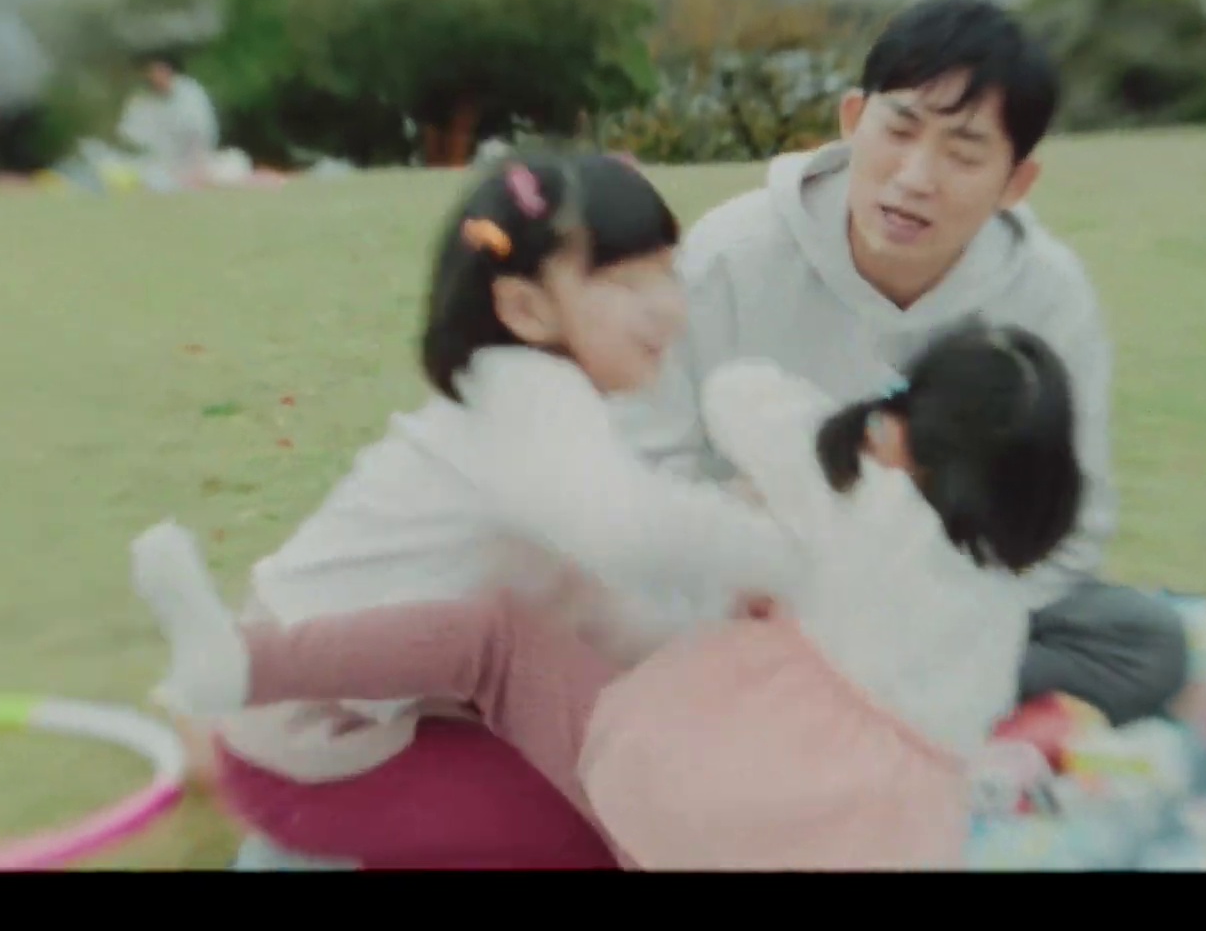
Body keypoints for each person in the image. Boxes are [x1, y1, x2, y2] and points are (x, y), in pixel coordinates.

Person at [136, 321, 1085, 869]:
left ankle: (247, 665)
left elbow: (741, 395)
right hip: (856, 844)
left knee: (492, 640)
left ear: (906, 432)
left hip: (708, 812)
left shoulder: (862, 503)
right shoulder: (997, 603)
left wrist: (868, 412)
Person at [181, 153, 802, 870]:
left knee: (625, 790)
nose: (667, 306)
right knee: (605, 832)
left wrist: (717, 632)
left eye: (668, 272)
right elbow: (629, 531)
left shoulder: (537, 420)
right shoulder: (527, 400)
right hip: (312, 749)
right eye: (626, 283)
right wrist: (776, 550)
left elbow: (593, 614)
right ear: (525, 309)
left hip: (349, 723)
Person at [611, 0, 1188, 727]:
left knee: (1143, 642)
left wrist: (923, 610)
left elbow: (1067, 522)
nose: (916, 177)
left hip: (948, 609)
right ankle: (869, 702)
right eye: (900, 130)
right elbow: (648, 468)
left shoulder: (1048, 293)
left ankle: (852, 698)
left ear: (1015, 183)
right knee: (617, 623)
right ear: (853, 119)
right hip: (763, 594)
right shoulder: (728, 257)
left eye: (963, 154)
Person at [114, 54, 252, 190]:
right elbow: (130, 135)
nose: (156, 77)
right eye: (152, 72)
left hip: (195, 161)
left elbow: (201, 131)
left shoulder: (190, 92)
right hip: (158, 164)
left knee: (236, 162)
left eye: (160, 71)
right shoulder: (141, 100)